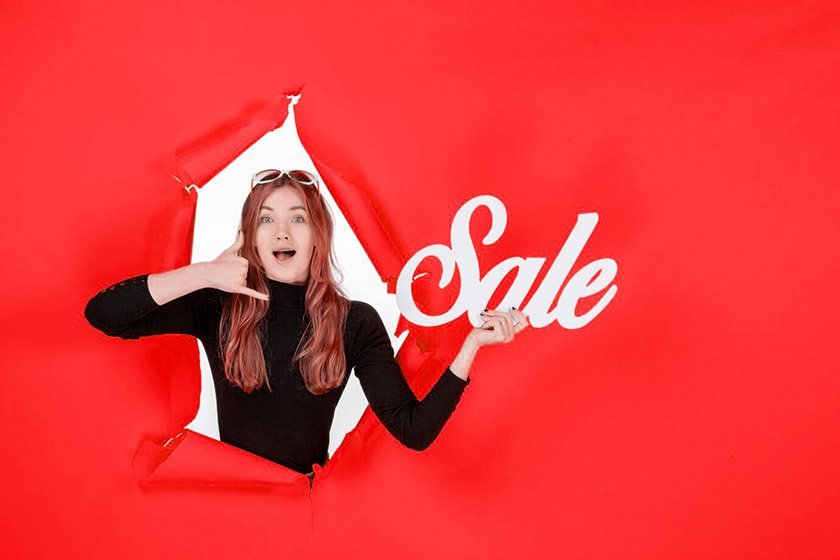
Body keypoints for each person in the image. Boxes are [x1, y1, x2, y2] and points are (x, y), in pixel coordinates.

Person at [84, 169, 529, 484]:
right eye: (266, 219)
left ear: (318, 234)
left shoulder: (355, 322)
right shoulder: (215, 305)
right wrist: (201, 273)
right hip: (226, 517)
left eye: (297, 218)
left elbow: (413, 431)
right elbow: (104, 315)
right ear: (249, 237)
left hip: (305, 522)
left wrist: (471, 346)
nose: (282, 232)